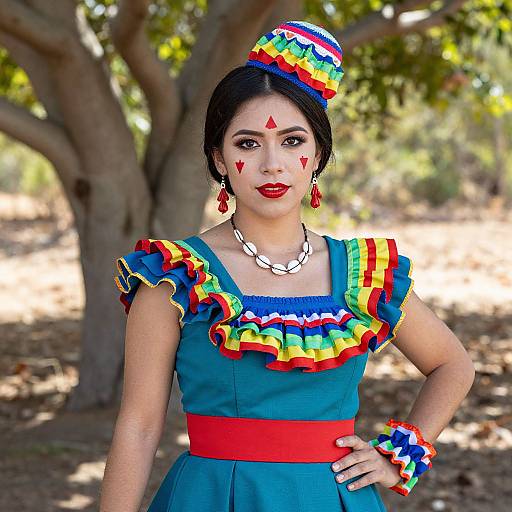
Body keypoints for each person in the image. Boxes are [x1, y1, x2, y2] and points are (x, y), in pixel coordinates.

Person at [100, 20, 475, 512]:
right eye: (248, 144)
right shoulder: (176, 278)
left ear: (318, 154)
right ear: (219, 157)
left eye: (293, 142)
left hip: (337, 499)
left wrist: (398, 456)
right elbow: (139, 426)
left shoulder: (363, 275)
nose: (272, 164)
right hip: (216, 499)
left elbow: (453, 365)